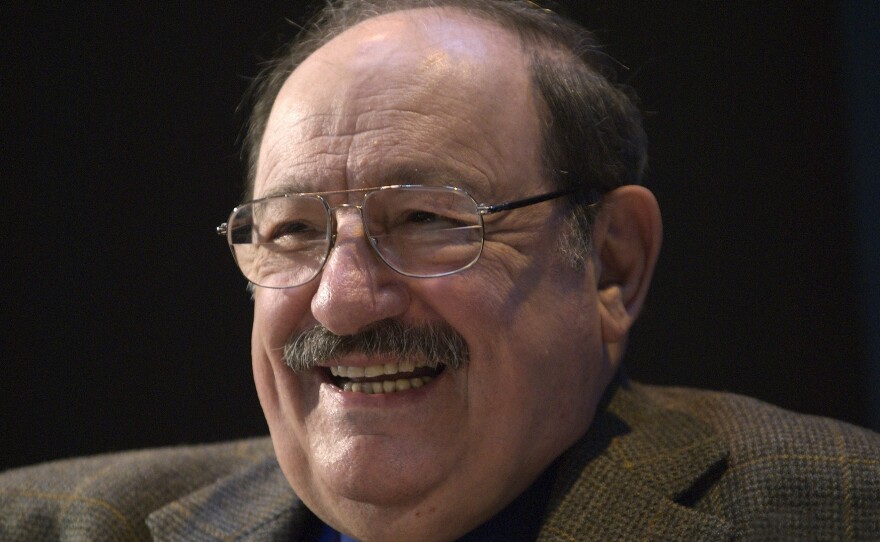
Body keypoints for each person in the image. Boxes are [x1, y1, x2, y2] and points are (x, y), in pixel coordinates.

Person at [2, 1, 878, 540]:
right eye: (296, 230)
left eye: (425, 219)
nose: (342, 304)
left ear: (612, 265)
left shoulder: (835, 511)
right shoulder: (48, 524)